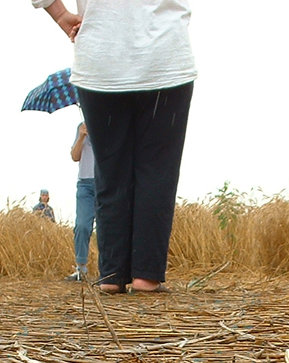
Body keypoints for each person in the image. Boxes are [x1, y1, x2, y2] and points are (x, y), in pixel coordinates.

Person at [31, 0, 196, 295]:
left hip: (100, 54)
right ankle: (146, 276)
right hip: (164, 54)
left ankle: (112, 274)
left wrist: (61, 16)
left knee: (110, 170)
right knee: (158, 170)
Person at [65, 121, 96, 282]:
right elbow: (75, 156)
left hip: (106, 182)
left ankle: (110, 269)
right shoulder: (82, 126)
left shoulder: (108, 123)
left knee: (108, 228)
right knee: (82, 226)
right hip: (85, 184)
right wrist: (82, 136)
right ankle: (81, 268)